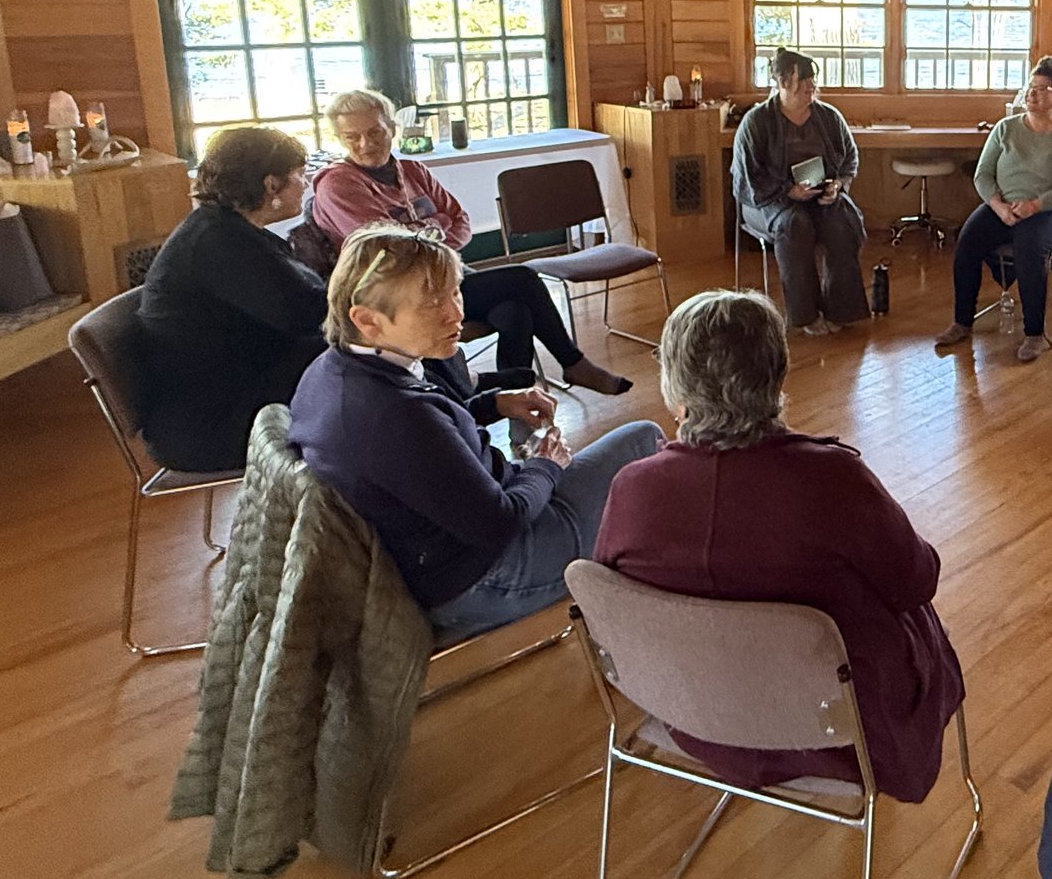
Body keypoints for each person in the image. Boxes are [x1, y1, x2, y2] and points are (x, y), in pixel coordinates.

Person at [594, 290, 966, 803]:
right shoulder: (833, 480)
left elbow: (610, 597)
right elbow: (916, 581)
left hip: (687, 710)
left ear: (675, 387)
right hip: (835, 737)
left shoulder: (632, 488)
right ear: (776, 374)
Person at [290, 223, 664, 640]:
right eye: (432, 303)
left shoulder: (333, 369)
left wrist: (494, 403)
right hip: (489, 580)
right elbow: (502, 521)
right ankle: (663, 602)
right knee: (644, 440)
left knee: (631, 473)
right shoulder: (397, 415)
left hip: (442, 557)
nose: (456, 313)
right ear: (368, 320)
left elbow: (431, 450)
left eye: (455, 291)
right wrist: (546, 465)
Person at [310, 88, 629, 397]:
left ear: (392, 129)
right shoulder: (338, 184)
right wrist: (436, 225)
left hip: (439, 280)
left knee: (515, 311)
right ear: (340, 140)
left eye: (375, 132)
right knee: (523, 278)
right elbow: (390, 248)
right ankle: (570, 364)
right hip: (395, 297)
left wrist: (428, 233)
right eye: (352, 137)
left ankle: (517, 407)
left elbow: (461, 221)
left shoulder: (411, 170)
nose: (365, 144)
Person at [134, 125, 327, 472]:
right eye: (300, 175)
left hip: (234, 395)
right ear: (271, 185)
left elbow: (303, 304)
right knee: (371, 358)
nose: (307, 183)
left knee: (371, 353)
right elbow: (306, 313)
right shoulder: (217, 243)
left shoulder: (225, 230)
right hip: (213, 427)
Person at [937, 63, 1052, 362]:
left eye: (1041, 89)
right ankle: (962, 321)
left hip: (1051, 211)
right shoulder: (1005, 128)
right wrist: (997, 206)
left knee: (1029, 247)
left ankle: (1034, 333)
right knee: (967, 241)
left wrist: (1035, 205)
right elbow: (982, 175)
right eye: (1030, 87)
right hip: (1003, 205)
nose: (1032, 94)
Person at [730, 46, 866, 336]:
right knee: (795, 225)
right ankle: (804, 315)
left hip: (816, 196)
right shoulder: (756, 123)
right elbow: (749, 177)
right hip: (766, 201)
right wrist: (787, 192)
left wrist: (837, 186)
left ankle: (841, 309)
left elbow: (850, 158)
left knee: (841, 222)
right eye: (802, 81)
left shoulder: (828, 117)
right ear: (782, 84)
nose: (810, 87)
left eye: (812, 80)